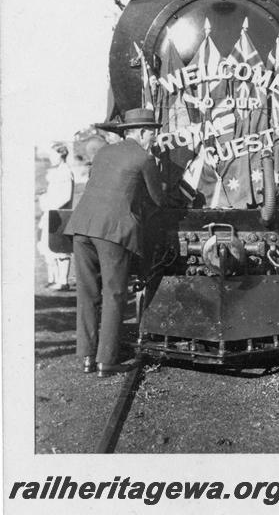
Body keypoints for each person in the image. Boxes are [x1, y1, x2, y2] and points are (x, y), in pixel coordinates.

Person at [64, 108, 165, 378]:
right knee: (114, 293)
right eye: (152, 133)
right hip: (112, 230)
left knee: (87, 293)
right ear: (142, 133)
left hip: (82, 226)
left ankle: (87, 356)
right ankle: (106, 361)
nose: (154, 138)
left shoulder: (104, 152)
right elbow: (158, 200)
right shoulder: (145, 158)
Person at [38, 143, 75, 290]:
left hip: (61, 215)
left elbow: (65, 197)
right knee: (49, 247)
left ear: (61, 155)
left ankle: (63, 281)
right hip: (52, 214)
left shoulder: (65, 171)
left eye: (54, 154)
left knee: (61, 248)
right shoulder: (57, 172)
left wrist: (51, 207)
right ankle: (53, 279)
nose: (51, 158)